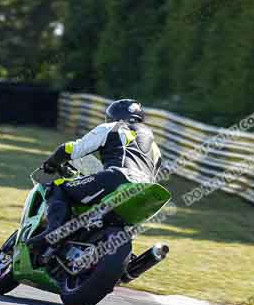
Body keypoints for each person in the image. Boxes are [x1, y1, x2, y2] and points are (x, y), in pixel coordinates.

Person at [26, 98, 163, 263]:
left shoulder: (114, 127)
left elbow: (72, 149)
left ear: (114, 116)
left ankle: (53, 233)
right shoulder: (156, 150)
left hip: (118, 178)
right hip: (147, 191)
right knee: (124, 228)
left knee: (58, 186)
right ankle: (130, 263)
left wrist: (52, 163)